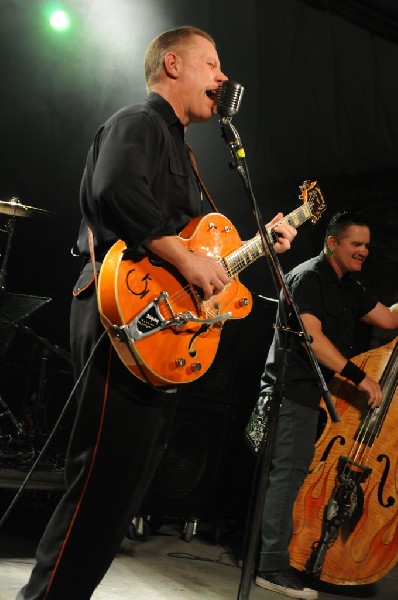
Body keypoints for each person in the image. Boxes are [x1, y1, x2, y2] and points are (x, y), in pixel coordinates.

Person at [17, 26, 297, 599]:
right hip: (118, 319)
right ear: (173, 65)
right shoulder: (138, 122)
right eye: (212, 64)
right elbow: (115, 187)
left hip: (157, 337)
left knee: (121, 495)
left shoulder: (182, 149)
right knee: (99, 486)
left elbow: (199, 249)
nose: (223, 77)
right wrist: (185, 260)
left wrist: (255, 244)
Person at [254, 210, 398, 600]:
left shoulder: (348, 286)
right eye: (356, 244)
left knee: (303, 478)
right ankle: (270, 567)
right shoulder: (307, 277)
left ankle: (294, 558)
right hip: (293, 392)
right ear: (332, 242)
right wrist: (360, 377)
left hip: (322, 400)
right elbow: (312, 339)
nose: (364, 251)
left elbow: (387, 319)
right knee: (288, 476)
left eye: (367, 245)